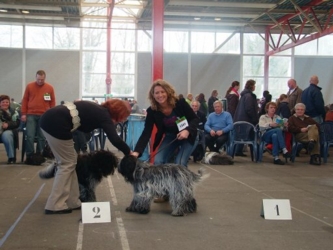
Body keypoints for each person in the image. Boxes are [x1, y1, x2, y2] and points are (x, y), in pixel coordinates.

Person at [39, 99, 132, 214]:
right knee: (66, 164)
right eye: (123, 117)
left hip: (51, 121)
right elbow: (114, 139)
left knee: (71, 162)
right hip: (56, 125)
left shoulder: (98, 110)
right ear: (118, 113)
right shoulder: (104, 116)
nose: (122, 120)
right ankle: (54, 204)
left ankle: (73, 201)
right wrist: (129, 152)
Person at [132, 79, 199, 169]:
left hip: (189, 135)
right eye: (157, 93)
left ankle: (181, 183)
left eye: (162, 92)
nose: (160, 95)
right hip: (171, 137)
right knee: (158, 162)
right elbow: (146, 132)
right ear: (153, 95)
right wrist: (137, 151)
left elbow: (195, 119)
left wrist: (187, 130)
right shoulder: (152, 111)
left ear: (168, 92)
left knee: (179, 163)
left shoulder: (180, 103)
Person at [21, 70, 56, 164]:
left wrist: (52, 116)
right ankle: (29, 156)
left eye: (42, 79)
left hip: (44, 115)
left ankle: (39, 155)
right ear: (35, 77)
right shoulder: (29, 86)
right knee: (30, 136)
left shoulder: (50, 88)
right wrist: (23, 113)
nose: (40, 81)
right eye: (38, 79)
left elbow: (52, 102)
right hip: (31, 114)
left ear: (45, 78)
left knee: (42, 137)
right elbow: (25, 100)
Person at [233, 79, 259, 156]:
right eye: (254, 85)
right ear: (251, 86)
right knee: (247, 136)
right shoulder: (249, 96)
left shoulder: (244, 95)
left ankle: (238, 150)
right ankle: (252, 152)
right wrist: (254, 119)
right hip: (246, 120)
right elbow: (249, 109)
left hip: (241, 118)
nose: (255, 87)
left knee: (241, 136)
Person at [0, 95, 20, 163]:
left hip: (7, 131)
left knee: (7, 135)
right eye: (3, 102)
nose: (5, 103)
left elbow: (17, 123)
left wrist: (8, 124)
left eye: (7, 102)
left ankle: (11, 157)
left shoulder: (13, 112)